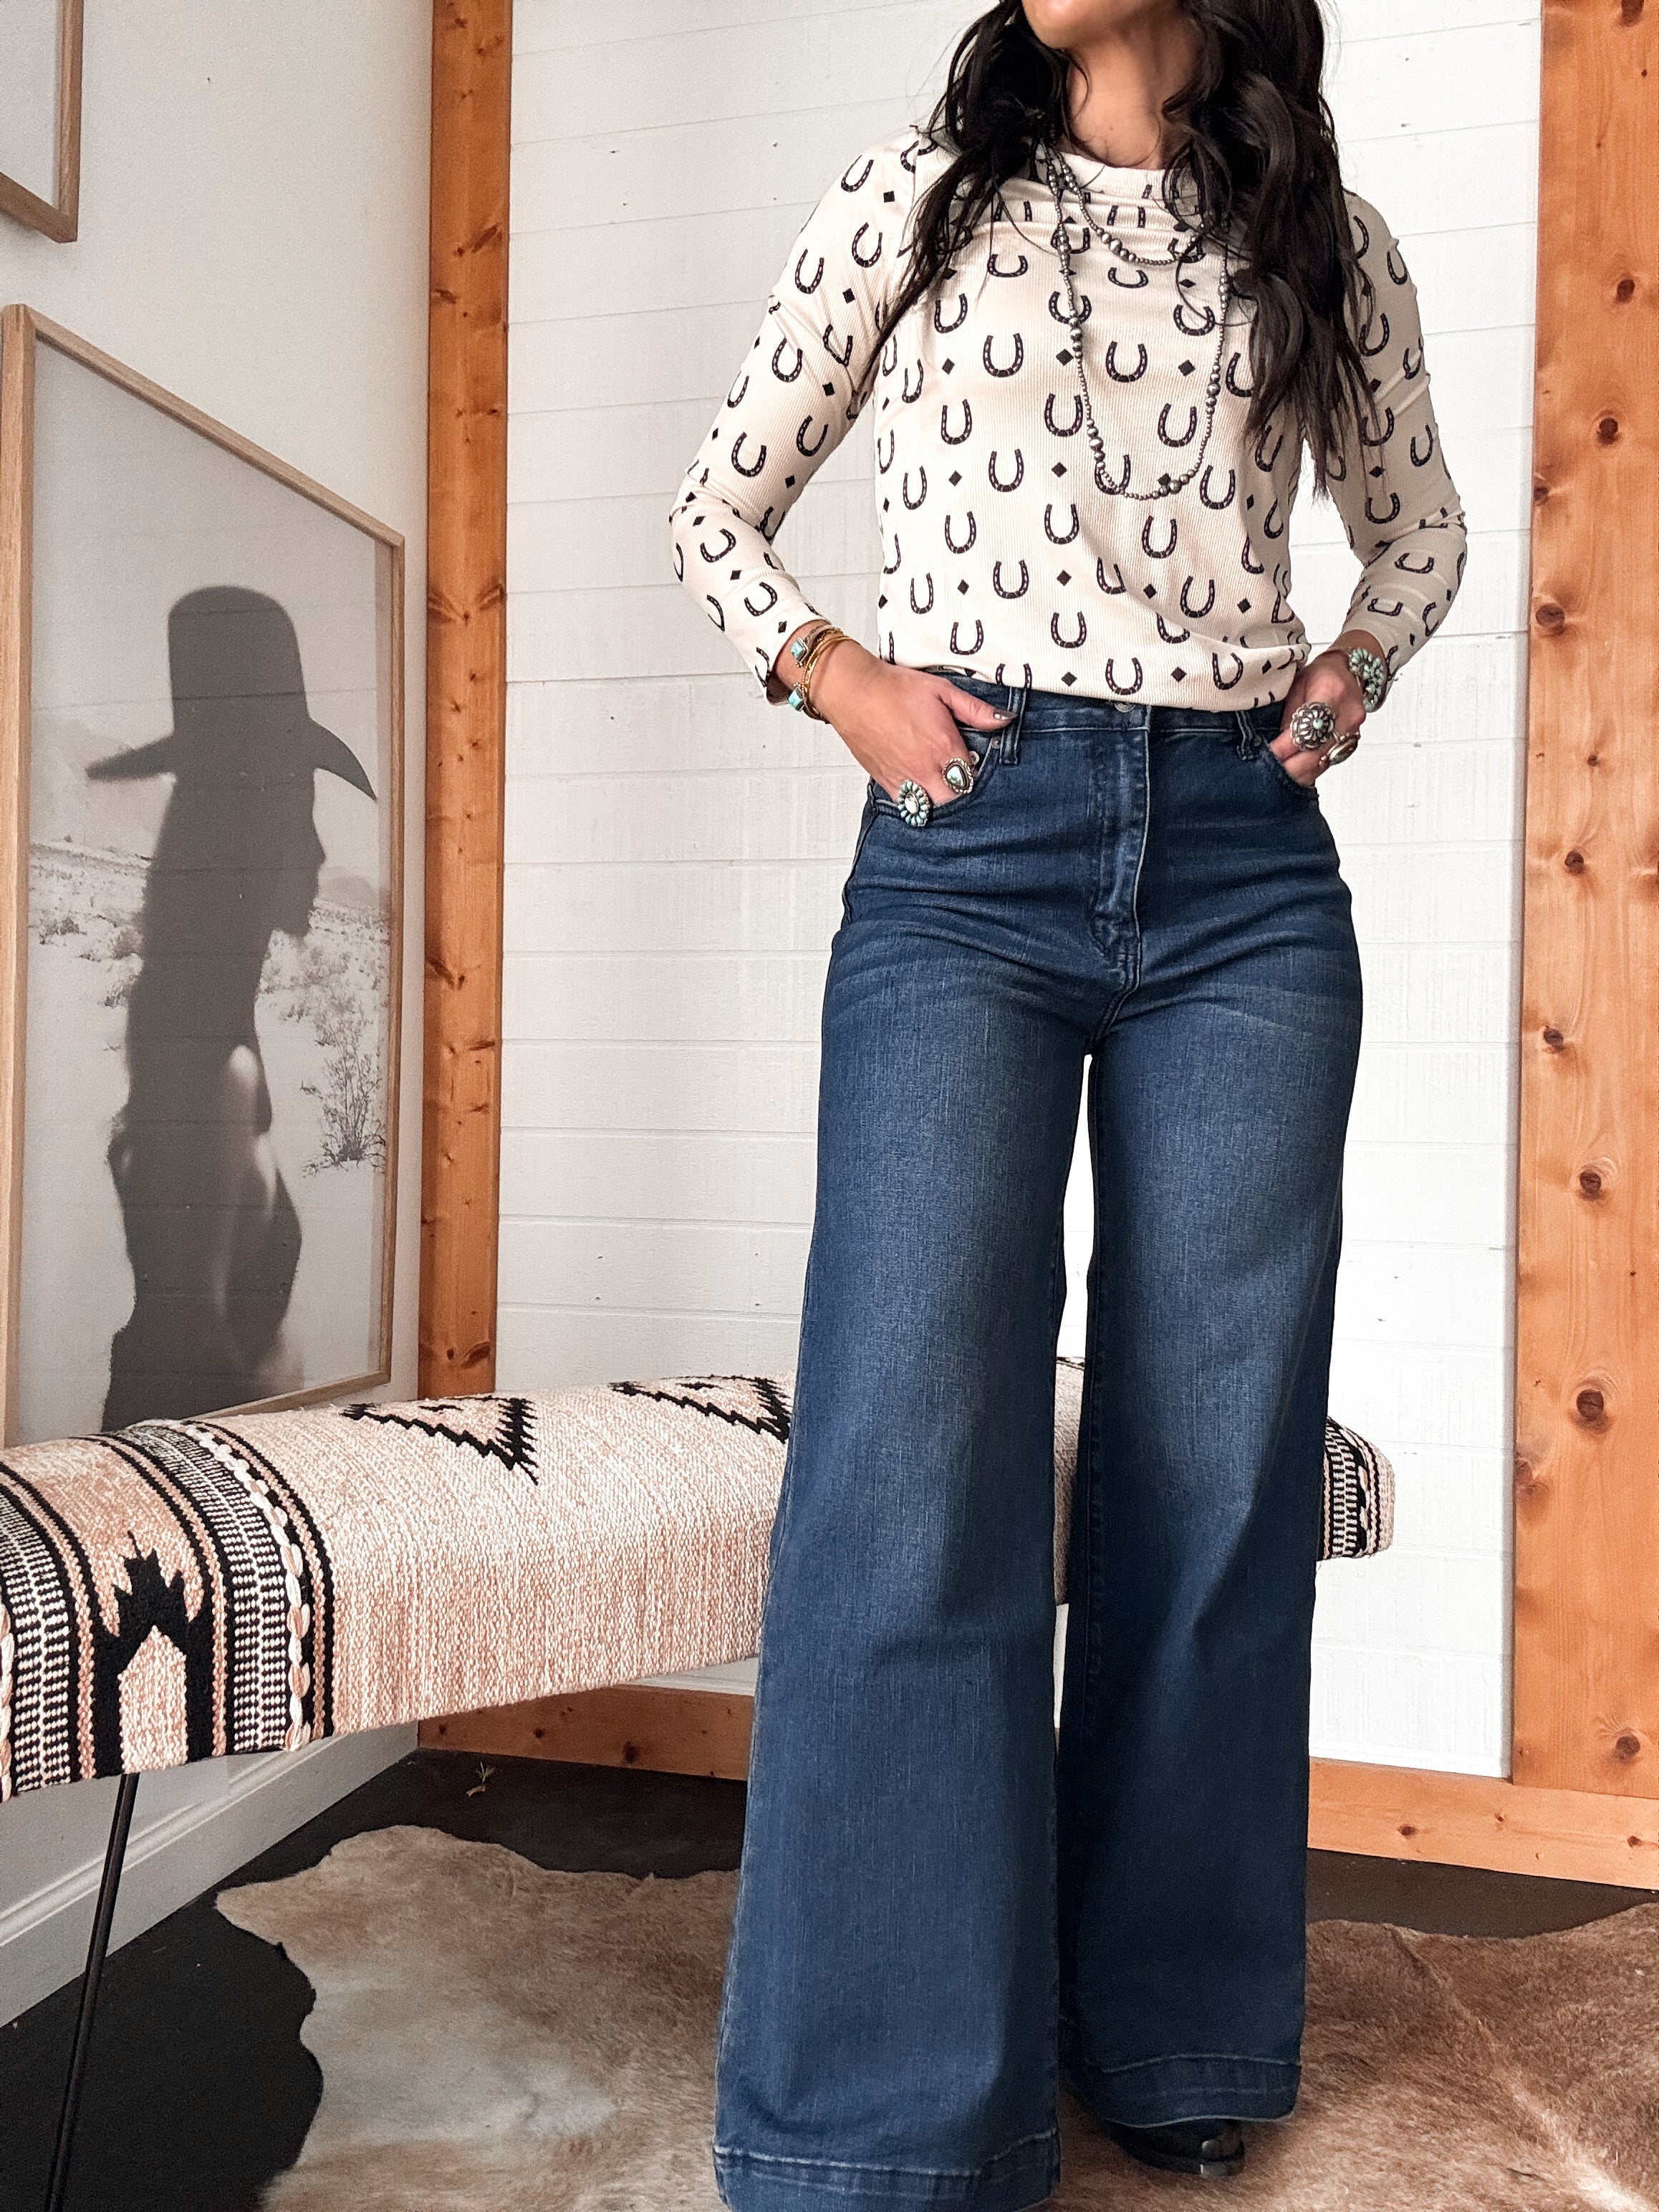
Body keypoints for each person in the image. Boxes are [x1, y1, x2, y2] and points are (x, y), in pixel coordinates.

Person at [669, 3, 1465, 2206]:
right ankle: (886, 2122)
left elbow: (1415, 541)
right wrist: (835, 676)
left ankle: (1176, 2023)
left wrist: (1349, 678)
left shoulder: (1327, 239)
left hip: (1238, 880)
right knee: (907, 1469)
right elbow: (716, 500)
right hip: (971, 861)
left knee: (1211, 1473)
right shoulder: (924, 196)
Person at [90, 586, 377, 1430]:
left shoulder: (202, 1043)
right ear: (244, 827)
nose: (321, 845)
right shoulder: (220, 1075)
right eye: (299, 804)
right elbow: (185, 1385)